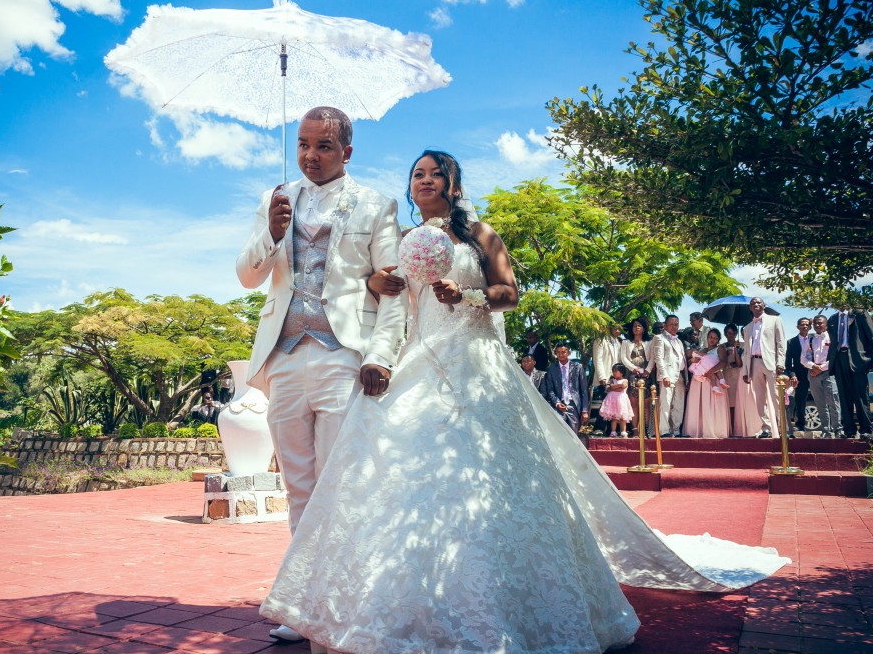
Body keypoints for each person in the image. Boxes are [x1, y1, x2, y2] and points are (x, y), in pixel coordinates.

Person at [260, 150, 789, 654]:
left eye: (435, 174)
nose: (424, 181)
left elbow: (510, 294)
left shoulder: (481, 234)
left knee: (494, 475)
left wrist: (463, 294)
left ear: (453, 184)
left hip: (478, 361)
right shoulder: (401, 239)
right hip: (421, 360)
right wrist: (380, 285)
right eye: (417, 174)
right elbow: (391, 303)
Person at [234, 107, 408, 643]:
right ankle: (301, 605)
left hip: (342, 355)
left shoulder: (377, 205)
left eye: (324, 146)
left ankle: (344, 602)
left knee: (339, 486)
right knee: (300, 488)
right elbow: (246, 276)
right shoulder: (276, 200)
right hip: (284, 356)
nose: (310, 155)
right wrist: (271, 233)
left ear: (347, 152)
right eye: (303, 145)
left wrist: (380, 355)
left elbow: (393, 288)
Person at [741, 297, 787, 439]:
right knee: (759, 398)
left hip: (771, 363)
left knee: (776, 397)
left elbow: (781, 343)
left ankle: (782, 428)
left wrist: (780, 363)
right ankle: (765, 428)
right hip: (754, 363)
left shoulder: (775, 320)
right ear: (750, 308)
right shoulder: (747, 327)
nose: (756, 304)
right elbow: (746, 351)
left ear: (764, 305)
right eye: (753, 303)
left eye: (758, 302)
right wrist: (745, 370)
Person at [826, 308, 873, 439]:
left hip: (857, 360)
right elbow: (833, 342)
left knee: (860, 396)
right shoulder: (832, 319)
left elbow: (871, 336)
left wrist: (869, 361)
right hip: (839, 360)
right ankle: (849, 430)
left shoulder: (860, 314)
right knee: (844, 397)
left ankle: (866, 430)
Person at [683, 328, 731, 438]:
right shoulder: (703, 350)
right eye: (710, 337)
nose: (712, 340)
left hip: (712, 379)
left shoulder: (720, 348)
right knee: (701, 404)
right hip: (700, 380)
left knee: (712, 404)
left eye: (715, 338)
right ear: (707, 338)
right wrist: (692, 361)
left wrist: (712, 370)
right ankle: (698, 429)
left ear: (718, 340)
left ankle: (714, 429)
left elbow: (723, 362)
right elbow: (694, 360)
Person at [803, 315, 843, 438]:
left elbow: (834, 357)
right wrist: (813, 366)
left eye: (820, 323)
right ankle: (825, 430)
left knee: (833, 401)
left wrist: (821, 368)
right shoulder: (809, 339)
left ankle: (838, 429)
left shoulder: (832, 337)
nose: (817, 325)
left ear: (826, 324)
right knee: (820, 403)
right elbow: (803, 358)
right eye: (815, 323)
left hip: (828, 373)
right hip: (813, 373)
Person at [542, 344, 590, 433]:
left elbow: (584, 390)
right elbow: (550, 389)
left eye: (563, 352)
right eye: (558, 352)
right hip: (559, 404)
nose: (561, 354)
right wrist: (557, 403)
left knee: (573, 433)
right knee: (559, 432)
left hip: (574, 405)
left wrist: (584, 410)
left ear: (568, 353)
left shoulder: (577, 367)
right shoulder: (551, 369)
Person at [654, 314, 688, 437]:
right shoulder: (659, 338)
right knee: (666, 403)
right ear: (665, 325)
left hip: (680, 375)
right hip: (667, 375)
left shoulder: (679, 340)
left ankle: (676, 430)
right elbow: (659, 358)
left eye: (676, 324)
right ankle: (664, 431)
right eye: (672, 324)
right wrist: (664, 375)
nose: (674, 327)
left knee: (678, 404)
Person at [620, 316, 654, 433]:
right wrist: (634, 368)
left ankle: (645, 430)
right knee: (633, 402)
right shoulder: (626, 342)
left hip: (647, 375)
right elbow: (623, 358)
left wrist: (648, 370)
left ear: (644, 328)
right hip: (632, 375)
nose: (637, 328)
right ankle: (635, 430)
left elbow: (653, 357)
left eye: (639, 326)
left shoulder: (649, 342)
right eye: (634, 326)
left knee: (646, 404)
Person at [784, 317, 813, 434]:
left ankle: (829, 425)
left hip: (815, 373)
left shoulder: (814, 339)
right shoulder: (791, 342)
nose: (804, 326)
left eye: (807, 324)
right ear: (797, 327)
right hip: (799, 375)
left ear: (810, 326)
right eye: (802, 324)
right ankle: (800, 424)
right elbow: (788, 362)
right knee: (800, 400)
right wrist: (792, 375)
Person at [722, 324, 745, 435]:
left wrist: (737, 349)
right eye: (727, 333)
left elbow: (741, 363)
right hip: (726, 376)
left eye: (731, 333)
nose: (729, 335)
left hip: (738, 376)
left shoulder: (742, 346)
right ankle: (730, 428)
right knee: (729, 403)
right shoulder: (722, 346)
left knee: (738, 402)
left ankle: (739, 428)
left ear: (736, 333)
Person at [600, 363, 633, 437]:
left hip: (621, 400)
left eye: (616, 371)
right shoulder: (612, 380)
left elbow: (622, 389)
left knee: (622, 417)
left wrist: (615, 387)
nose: (614, 373)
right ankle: (613, 431)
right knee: (614, 417)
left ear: (621, 372)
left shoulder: (625, 380)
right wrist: (618, 386)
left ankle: (623, 432)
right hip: (613, 401)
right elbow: (610, 387)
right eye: (613, 371)